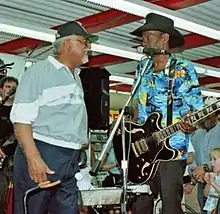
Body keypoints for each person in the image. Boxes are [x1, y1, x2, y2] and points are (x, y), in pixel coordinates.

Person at [10, 21, 98, 214]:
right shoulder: (39, 72)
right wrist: (34, 159)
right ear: (68, 44)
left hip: (70, 159)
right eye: (84, 42)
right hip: (44, 152)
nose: (87, 48)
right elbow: (21, 120)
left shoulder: (76, 76)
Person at [130, 13, 203, 214]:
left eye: (149, 35)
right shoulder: (142, 68)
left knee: (170, 205)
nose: (144, 39)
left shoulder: (183, 69)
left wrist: (191, 124)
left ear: (165, 37)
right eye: (143, 36)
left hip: (171, 148)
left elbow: (196, 110)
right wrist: (130, 136)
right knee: (140, 204)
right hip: (142, 148)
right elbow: (135, 105)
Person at [189, 96, 220, 213]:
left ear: (217, 115)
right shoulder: (196, 135)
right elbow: (193, 161)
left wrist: (206, 167)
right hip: (202, 184)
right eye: (205, 114)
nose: (207, 118)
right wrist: (192, 181)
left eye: (210, 115)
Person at [0, 76, 18, 214]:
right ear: (1, 89)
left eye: (14, 87)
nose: (11, 90)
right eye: (8, 87)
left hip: (14, 158)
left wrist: (3, 148)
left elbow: (19, 134)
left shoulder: (20, 110)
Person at [203, 148, 220, 214]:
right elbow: (206, 194)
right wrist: (208, 183)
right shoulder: (214, 176)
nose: (211, 162)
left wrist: (213, 183)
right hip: (210, 210)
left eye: (214, 159)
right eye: (211, 159)